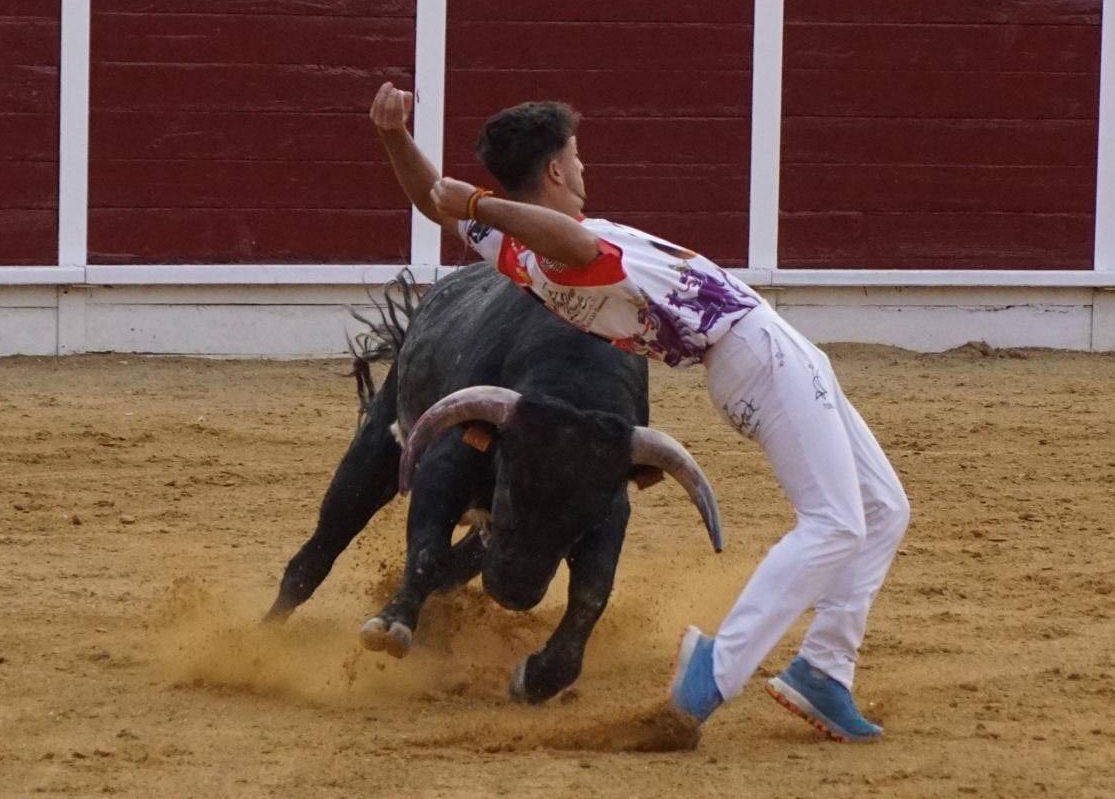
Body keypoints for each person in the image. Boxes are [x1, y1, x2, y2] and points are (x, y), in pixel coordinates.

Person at [365, 85, 909, 743]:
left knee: (882, 508)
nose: (586, 169)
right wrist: (477, 200)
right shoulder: (563, 251)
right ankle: (717, 668)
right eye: (577, 157)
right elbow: (557, 236)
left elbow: (434, 201)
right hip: (756, 354)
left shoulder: (515, 250)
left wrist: (396, 137)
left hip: (764, 350)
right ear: (557, 171)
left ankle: (825, 666)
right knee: (832, 521)